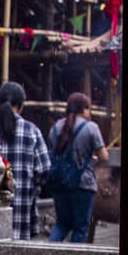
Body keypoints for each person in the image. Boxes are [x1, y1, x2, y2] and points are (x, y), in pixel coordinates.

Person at [0, 81, 50, 240]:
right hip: (21, 213)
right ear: (20, 105)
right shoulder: (32, 131)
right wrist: (29, 184)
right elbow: (44, 170)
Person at [47, 91, 104, 243]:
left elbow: (56, 153)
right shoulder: (91, 128)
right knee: (80, 228)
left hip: (59, 183)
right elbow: (104, 156)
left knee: (62, 224)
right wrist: (91, 157)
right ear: (84, 109)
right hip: (83, 185)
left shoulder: (55, 128)